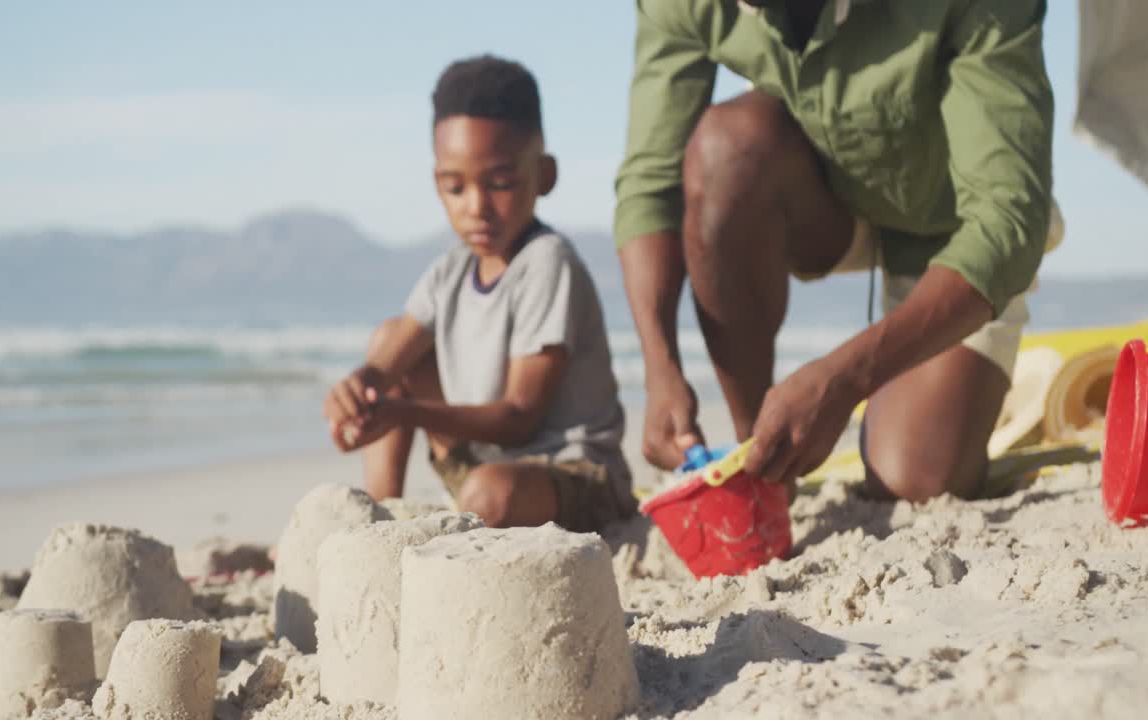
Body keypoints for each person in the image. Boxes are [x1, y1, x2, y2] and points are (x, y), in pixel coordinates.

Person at [615, 0, 1057, 501]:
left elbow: (1008, 222)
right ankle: (762, 460)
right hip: (823, 205)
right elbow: (648, 186)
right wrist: (660, 367)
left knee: (914, 482)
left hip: (951, 229)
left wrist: (846, 378)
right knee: (725, 150)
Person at [324, 55, 636, 532]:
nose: (477, 207)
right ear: (437, 184)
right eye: (456, 187)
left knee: (492, 492)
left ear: (545, 175)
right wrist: (357, 392)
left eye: (501, 183)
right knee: (390, 338)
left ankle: (456, 517)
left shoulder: (547, 261)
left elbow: (519, 420)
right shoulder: (450, 270)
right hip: (481, 468)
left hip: (571, 476)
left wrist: (400, 412)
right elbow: (388, 360)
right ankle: (380, 520)